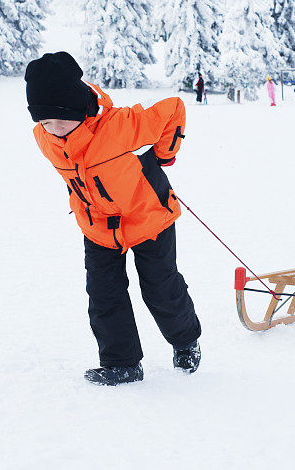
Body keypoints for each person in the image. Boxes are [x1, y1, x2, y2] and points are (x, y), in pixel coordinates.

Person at [25, 52, 201, 386]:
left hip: (148, 216)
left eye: (61, 119)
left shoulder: (121, 125)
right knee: (103, 293)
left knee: (160, 288)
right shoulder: (44, 138)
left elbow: (173, 108)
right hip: (98, 226)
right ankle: (122, 363)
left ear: (78, 105)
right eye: (45, 122)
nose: (54, 129)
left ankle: (185, 341)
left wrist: (164, 155)